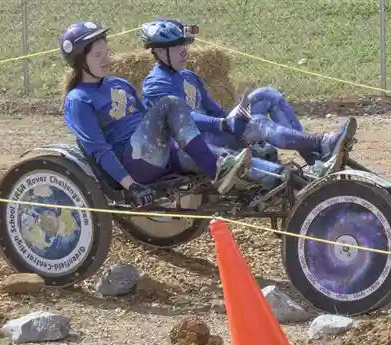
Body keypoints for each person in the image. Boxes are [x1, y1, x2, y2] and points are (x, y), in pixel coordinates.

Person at [56, 21, 353, 206]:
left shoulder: (120, 83)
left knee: (254, 108)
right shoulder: (79, 100)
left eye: (107, 51)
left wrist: (234, 122)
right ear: (80, 62)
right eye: (98, 55)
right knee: (172, 105)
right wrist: (130, 186)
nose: (107, 58)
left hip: (162, 150)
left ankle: (291, 180)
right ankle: (219, 168)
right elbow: (98, 150)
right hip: (134, 162)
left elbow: (153, 118)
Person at [135, 18, 344, 181]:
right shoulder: (155, 84)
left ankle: (316, 161)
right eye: (177, 46)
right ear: (161, 51)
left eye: (185, 45)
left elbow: (214, 110)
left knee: (266, 95)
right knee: (259, 124)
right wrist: (226, 125)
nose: (185, 51)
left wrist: (239, 121)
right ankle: (320, 144)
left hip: (216, 134)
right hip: (194, 147)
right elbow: (185, 119)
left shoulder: (188, 76)